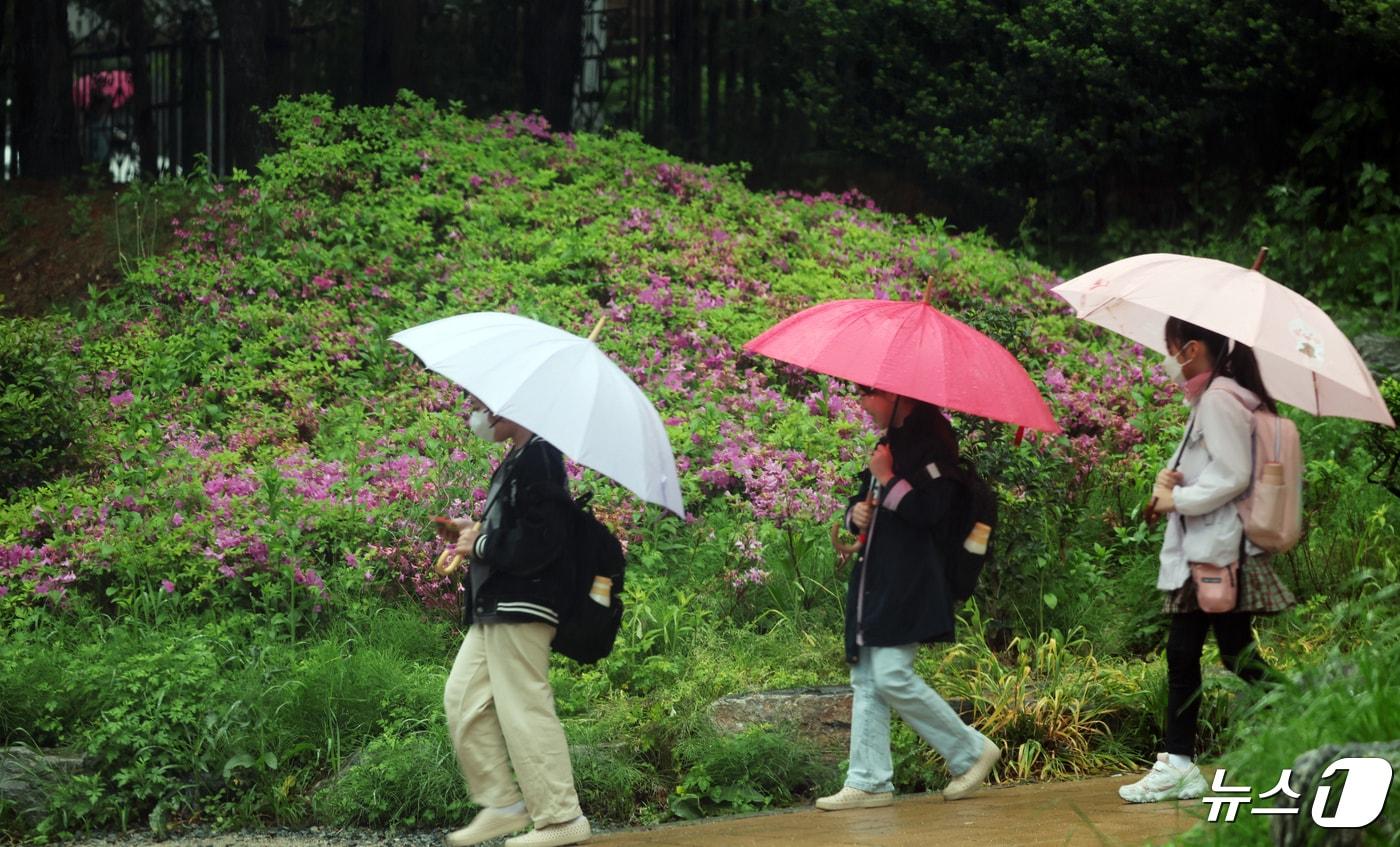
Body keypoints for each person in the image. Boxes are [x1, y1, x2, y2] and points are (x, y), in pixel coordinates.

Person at [1118, 317, 1294, 804]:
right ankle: (1317, 709)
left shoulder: (1218, 399)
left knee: (1183, 654)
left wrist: (1180, 500)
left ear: (1191, 349)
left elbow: (1233, 475)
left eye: (1171, 348)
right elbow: (1219, 468)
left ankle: (1177, 765)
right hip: (1213, 549)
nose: (1168, 359)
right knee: (1237, 655)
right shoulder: (1217, 398)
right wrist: (1175, 483)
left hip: (1214, 553)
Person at [815, 386, 1001, 812]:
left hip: (910, 582)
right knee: (867, 677)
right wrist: (854, 513)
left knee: (892, 674)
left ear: (896, 396)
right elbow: (864, 503)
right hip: (877, 580)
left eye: (867, 394)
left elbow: (927, 512)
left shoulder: (933, 449)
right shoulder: (891, 445)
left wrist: (886, 478)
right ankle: (868, 781)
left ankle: (970, 752)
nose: (861, 403)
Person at [439, 404, 592, 847]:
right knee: (462, 696)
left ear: (515, 406)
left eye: (485, 405)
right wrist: (474, 530)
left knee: (523, 706)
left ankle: (562, 817)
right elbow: (517, 528)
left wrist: (482, 542)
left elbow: (544, 541)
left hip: (524, 603)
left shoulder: (542, 457)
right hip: (496, 603)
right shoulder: (519, 457)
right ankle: (502, 803)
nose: (477, 414)